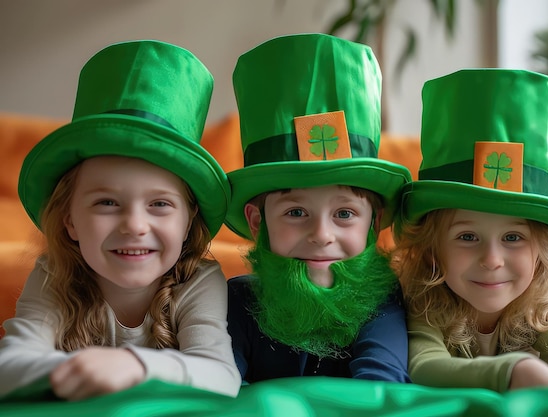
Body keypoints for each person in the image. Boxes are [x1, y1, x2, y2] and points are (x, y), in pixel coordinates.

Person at [0, 40, 241, 400]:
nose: (135, 225)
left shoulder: (199, 280)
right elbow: (8, 368)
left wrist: (134, 366)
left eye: (159, 204)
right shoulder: (54, 275)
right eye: (107, 202)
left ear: (188, 221)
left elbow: (222, 375)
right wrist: (80, 370)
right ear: (70, 220)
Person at [393, 68, 548, 393]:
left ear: (543, 250)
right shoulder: (424, 302)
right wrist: (513, 370)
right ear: (432, 247)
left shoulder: (542, 303)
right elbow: (423, 367)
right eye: (467, 237)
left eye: (513, 238)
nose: (492, 259)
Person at [225, 33, 412, 383]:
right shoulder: (237, 299)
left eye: (344, 214)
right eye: (296, 212)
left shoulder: (383, 298)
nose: (321, 235)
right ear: (256, 221)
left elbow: (381, 383)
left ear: (375, 223)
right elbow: (219, 384)